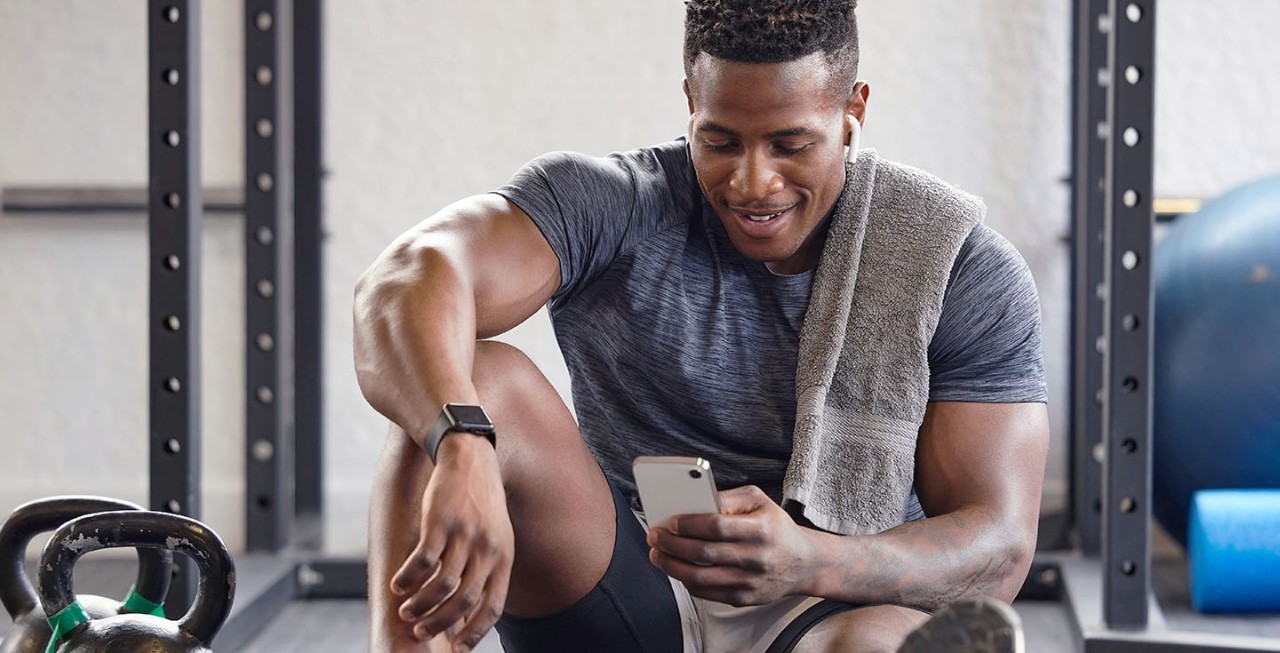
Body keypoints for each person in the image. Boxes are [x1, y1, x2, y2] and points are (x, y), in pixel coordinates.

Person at [353, 1, 1050, 651]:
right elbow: (403, 282)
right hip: (628, 587)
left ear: (851, 111)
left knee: (867, 646)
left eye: (789, 144)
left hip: (831, 602)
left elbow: (1001, 547)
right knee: (465, 382)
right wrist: (461, 442)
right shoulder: (617, 202)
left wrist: (808, 558)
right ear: (690, 104)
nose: (753, 182)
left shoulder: (956, 266)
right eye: (720, 140)